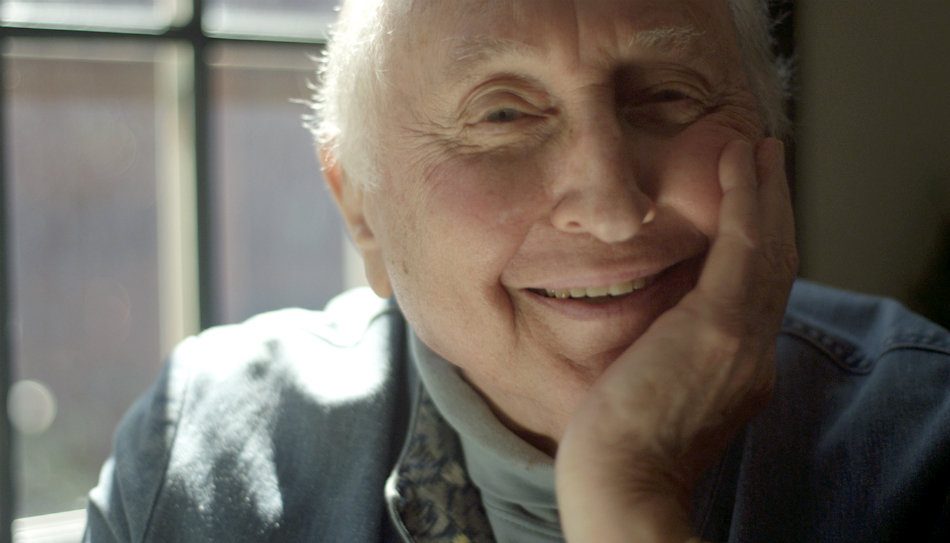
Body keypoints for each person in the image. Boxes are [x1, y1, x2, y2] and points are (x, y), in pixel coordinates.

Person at [84, 0, 950, 541]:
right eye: (502, 114)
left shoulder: (925, 443)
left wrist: (629, 493)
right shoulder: (196, 460)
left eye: (668, 94)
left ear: (769, 143)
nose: (611, 206)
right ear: (362, 212)